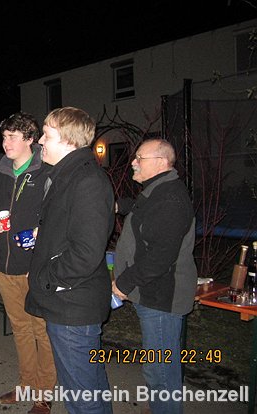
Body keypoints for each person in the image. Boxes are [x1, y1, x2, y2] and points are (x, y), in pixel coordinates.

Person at [25, 107, 115, 414]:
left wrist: (46, 278)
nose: (39, 141)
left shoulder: (86, 180)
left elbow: (86, 253)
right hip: (69, 302)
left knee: (82, 398)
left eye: (46, 135)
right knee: (89, 388)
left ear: (68, 141)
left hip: (72, 306)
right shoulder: (67, 175)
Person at [112, 139, 197, 414]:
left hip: (161, 298)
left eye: (140, 158)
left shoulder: (170, 198)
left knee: (160, 370)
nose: (133, 162)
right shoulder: (157, 191)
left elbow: (160, 257)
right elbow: (142, 211)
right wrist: (115, 205)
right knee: (159, 366)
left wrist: (124, 283)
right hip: (152, 293)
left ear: (161, 162)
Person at [0, 111, 56, 414]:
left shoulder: (46, 171)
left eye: (12, 136)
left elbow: (58, 214)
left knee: (42, 330)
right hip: (4, 264)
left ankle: (44, 394)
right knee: (21, 328)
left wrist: (41, 232)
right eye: (4, 137)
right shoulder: (1, 171)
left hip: (35, 267)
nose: (6, 143)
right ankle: (26, 384)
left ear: (30, 139)